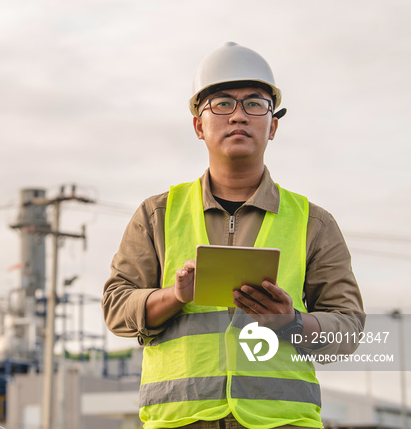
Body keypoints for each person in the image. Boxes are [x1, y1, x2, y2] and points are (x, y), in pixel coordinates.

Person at [102, 42, 365, 429]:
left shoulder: (314, 223)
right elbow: (115, 307)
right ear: (199, 125)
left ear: (272, 125)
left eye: (255, 104)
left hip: (282, 422)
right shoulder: (157, 215)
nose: (238, 116)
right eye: (222, 103)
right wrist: (174, 297)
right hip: (180, 421)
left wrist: (291, 323)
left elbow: (349, 326)